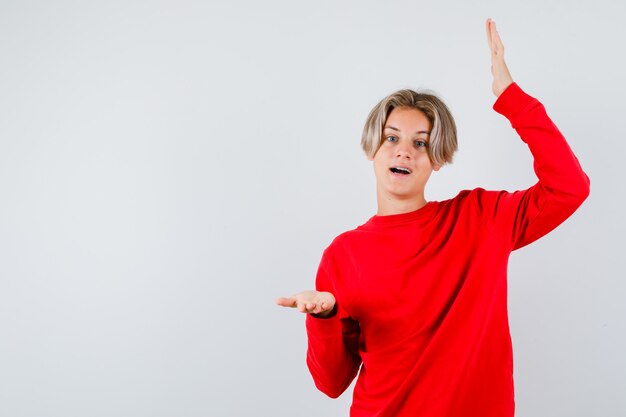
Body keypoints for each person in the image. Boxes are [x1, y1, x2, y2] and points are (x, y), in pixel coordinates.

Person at [276, 19, 589, 417]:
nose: (403, 151)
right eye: (391, 138)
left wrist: (510, 97)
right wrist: (323, 317)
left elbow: (569, 187)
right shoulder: (343, 255)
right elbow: (331, 384)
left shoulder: (481, 218)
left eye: (419, 143)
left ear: (437, 158)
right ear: (373, 149)